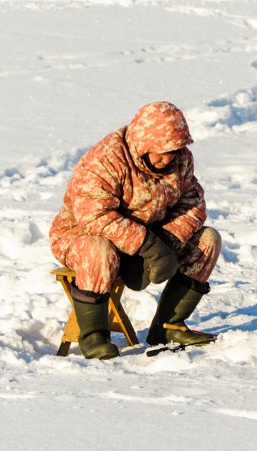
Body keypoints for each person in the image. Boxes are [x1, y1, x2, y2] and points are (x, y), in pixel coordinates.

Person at [49, 102, 222, 360]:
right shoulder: (105, 160)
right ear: (143, 144)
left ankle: (169, 327)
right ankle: (94, 336)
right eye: (162, 152)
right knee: (98, 250)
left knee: (209, 240)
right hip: (80, 235)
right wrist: (147, 244)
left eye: (174, 151)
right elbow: (94, 217)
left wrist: (167, 241)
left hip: (150, 236)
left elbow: (193, 204)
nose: (169, 158)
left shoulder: (181, 160)